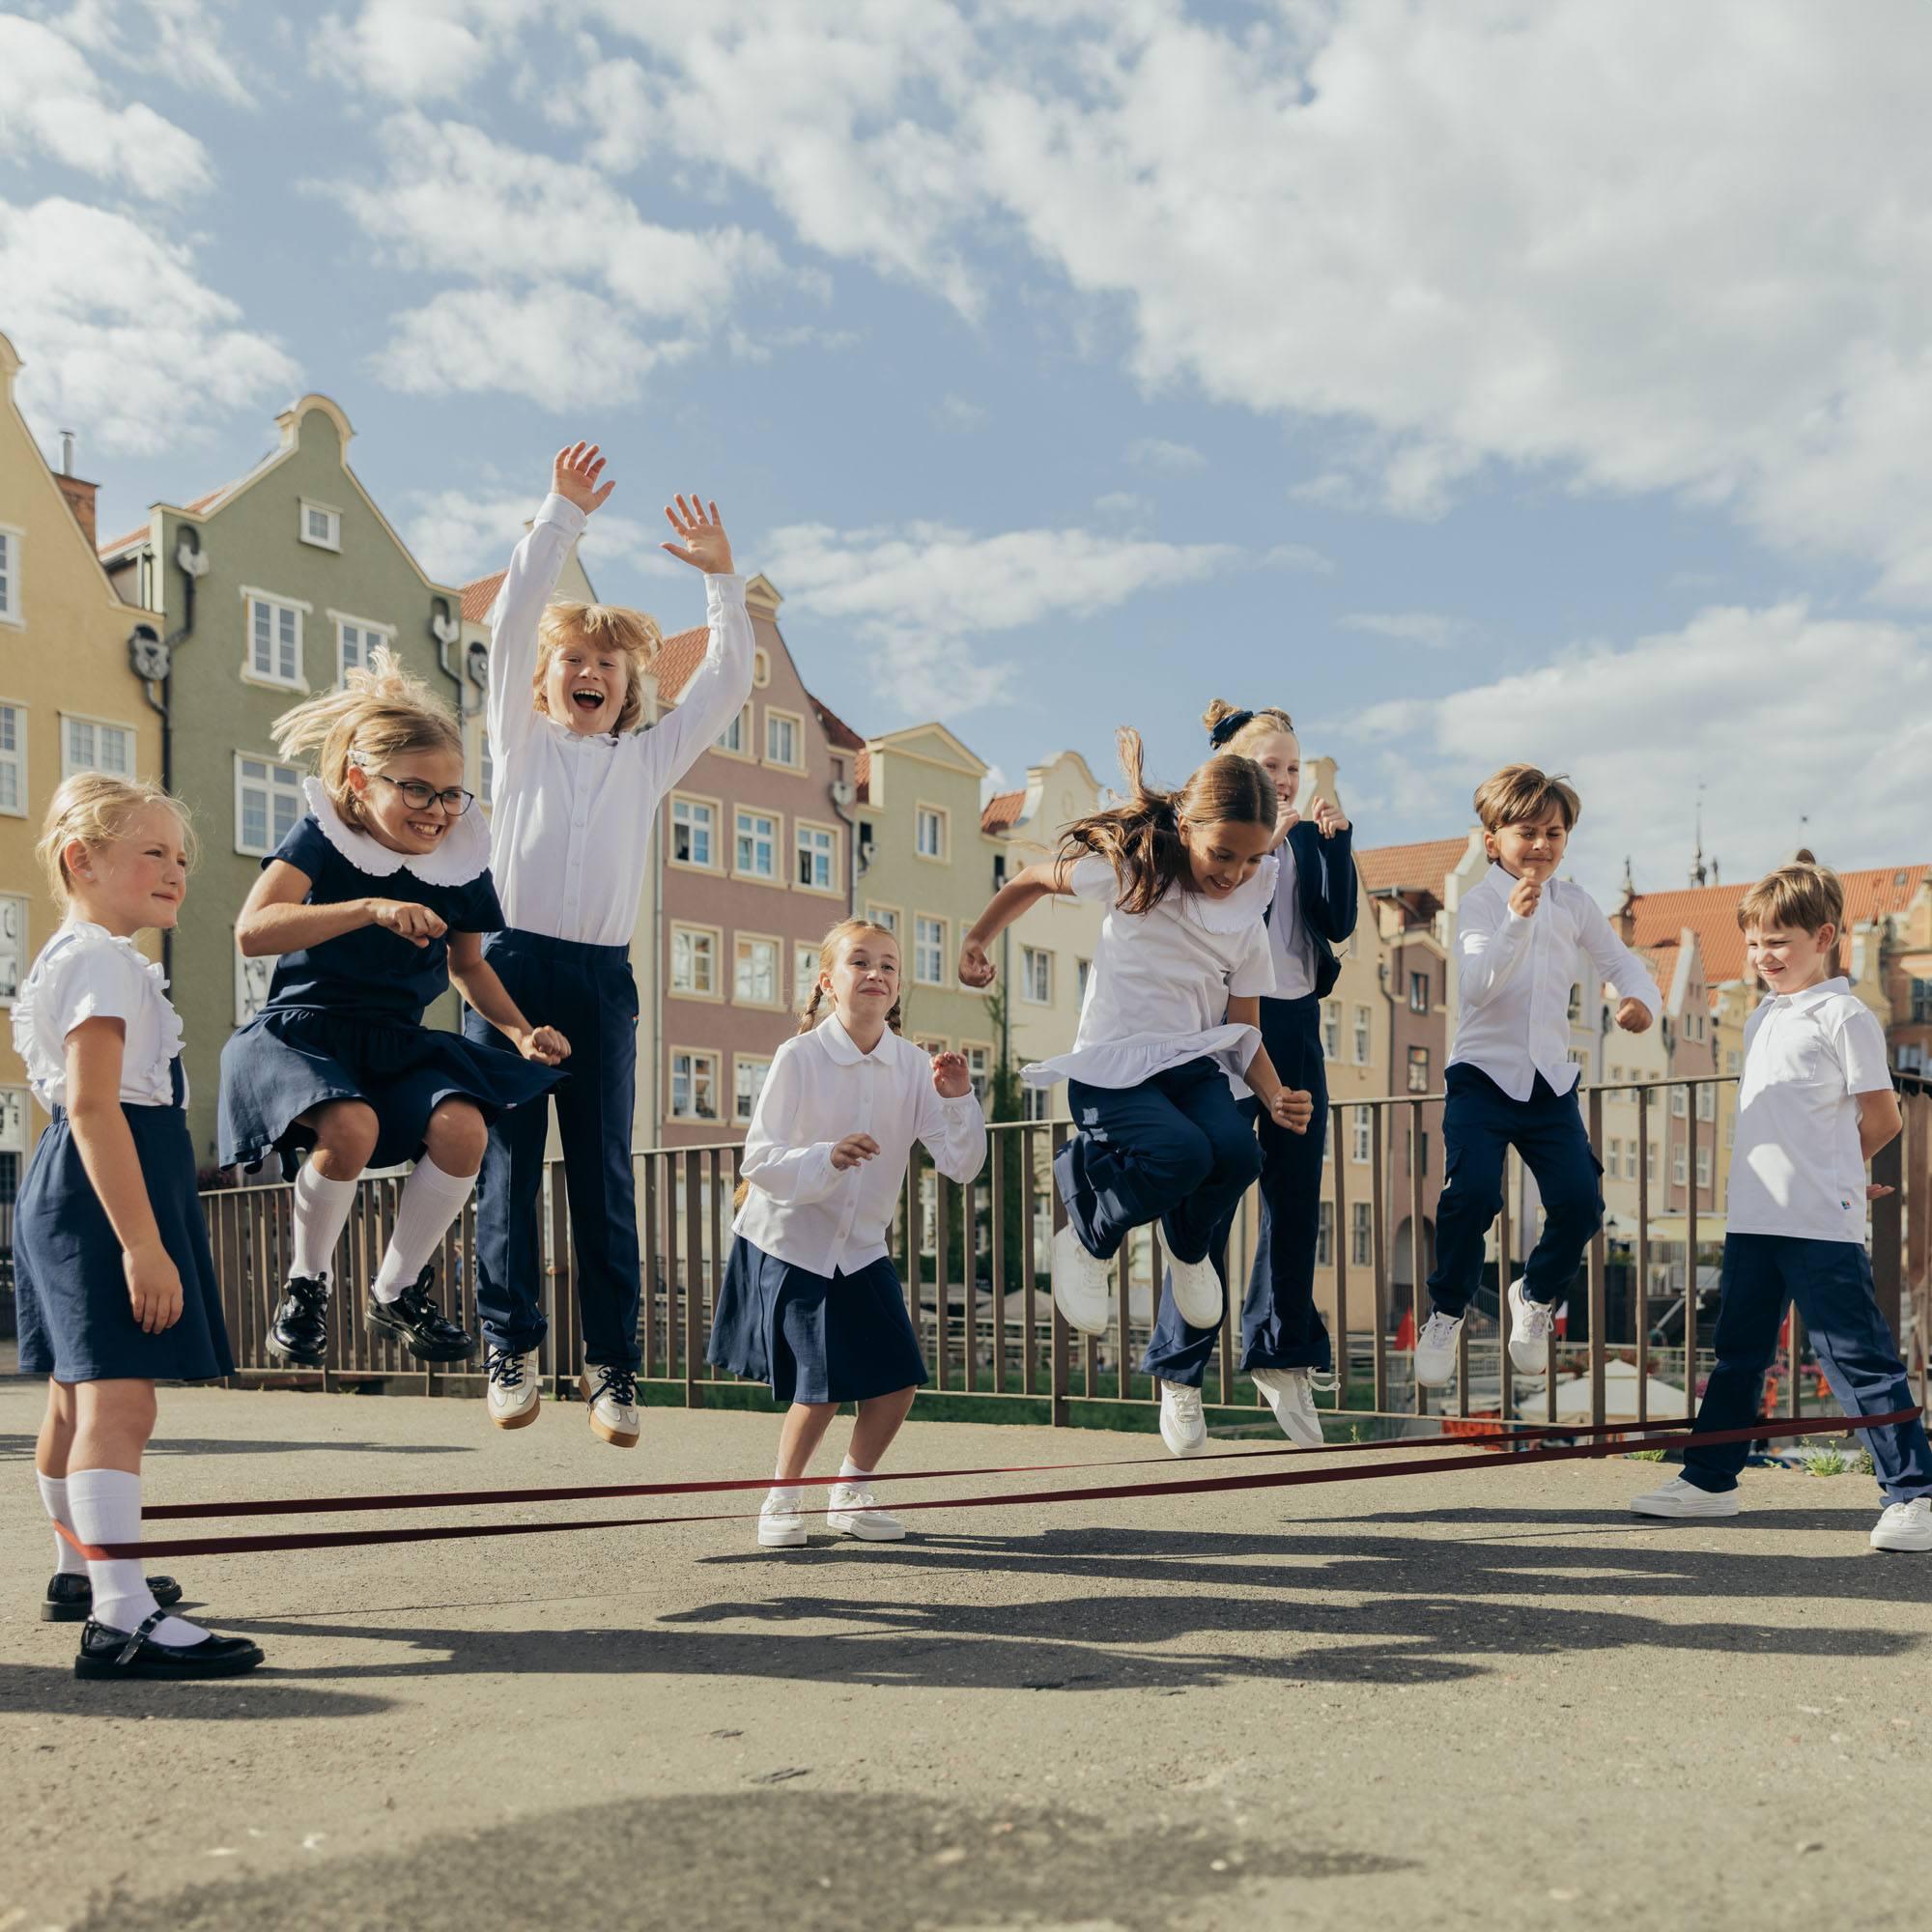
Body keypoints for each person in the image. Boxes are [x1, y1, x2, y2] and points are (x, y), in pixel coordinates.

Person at [466, 444, 752, 1446]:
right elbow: (508, 625)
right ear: (545, 682)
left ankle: (611, 1367)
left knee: (602, 1170)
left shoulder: (647, 757)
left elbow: (724, 683)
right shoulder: (521, 736)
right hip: (507, 964)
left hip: (597, 978)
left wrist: (721, 577)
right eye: (573, 662)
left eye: (606, 664)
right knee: (506, 1159)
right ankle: (511, 1344)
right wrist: (561, 515)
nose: (588, 672)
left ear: (629, 686)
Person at [960, 729, 1313, 1457]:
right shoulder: (1133, 874)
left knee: (1239, 1157)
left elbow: (1243, 1028)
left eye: (1251, 859)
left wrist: (1275, 1094)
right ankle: (1087, 1232)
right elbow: (1031, 877)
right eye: (1222, 854)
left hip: (1192, 1065)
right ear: (1185, 829)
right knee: (1182, 1155)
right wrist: (977, 939)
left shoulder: (1247, 917)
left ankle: (1188, 1250)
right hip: (1112, 1067)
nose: (1234, 872)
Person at [218, 651, 567, 1370]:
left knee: (464, 1127)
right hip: (305, 1032)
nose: (438, 811)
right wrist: (369, 909)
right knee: (350, 1125)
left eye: (451, 794)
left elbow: (468, 966)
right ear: (358, 780)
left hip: (396, 1043)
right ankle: (305, 1285)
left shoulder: (461, 861)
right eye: (416, 790)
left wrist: (522, 1031)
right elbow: (253, 930)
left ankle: (398, 1289)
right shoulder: (323, 837)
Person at [16, 775, 263, 1678]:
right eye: (151, 852)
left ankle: (81, 1572)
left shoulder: (73, 953)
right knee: (121, 1402)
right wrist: (143, 1241)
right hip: (105, 1186)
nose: (176, 871)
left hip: (67, 1184)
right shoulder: (105, 961)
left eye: (182, 856)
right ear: (82, 859)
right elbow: (94, 1106)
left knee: (74, 1397)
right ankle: (122, 1617)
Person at [1633, 854, 1931, 1551]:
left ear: (1823, 938)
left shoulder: (1845, 1014)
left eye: (1779, 942)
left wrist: (1843, 1176)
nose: (1763, 956)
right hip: (1754, 1221)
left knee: (1857, 1361)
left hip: (1816, 1226)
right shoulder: (1766, 1014)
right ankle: (1710, 1481)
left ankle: (1914, 1494)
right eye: (1756, 942)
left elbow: (1884, 1118)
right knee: (1738, 1354)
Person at [708, 920, 986, 1548]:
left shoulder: (916, 1067)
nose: (877, 974)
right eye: (861, 962)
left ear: (896, 987)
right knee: (822, 1384)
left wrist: (959, 1099)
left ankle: (851, 1493)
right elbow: (759, 1158)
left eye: (888, 965)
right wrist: (825, 1158)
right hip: (791, 1239)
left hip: (861, 1247)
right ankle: (781, 1500)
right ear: (829, 983)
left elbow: (962, 1165)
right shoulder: (798, 1056)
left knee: (898, 1379)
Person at [1141, 699, 1357, 1452]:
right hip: (1228, 1027)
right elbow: (1215, 922)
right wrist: (1271, 844)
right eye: (1272, 768)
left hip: (1295, 1027)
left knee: (1296, 1199)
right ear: (1233, 772)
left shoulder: (1303, 839)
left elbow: (1337, 923)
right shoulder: (1223, 843)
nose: (1289, 781)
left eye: (1295, 768)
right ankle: (1180, 1369)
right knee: (1213, 1200)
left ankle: (1281, 1356)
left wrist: (1338, 846)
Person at [1414, 764, 1659, 1391]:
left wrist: (1637, 1002)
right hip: (1481, 1078)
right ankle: (1445, 1312)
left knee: (1581, 1204)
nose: (1543, 845)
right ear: (1493, 839)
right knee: (1472, 1198)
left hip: (1549, 1084)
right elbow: (1475, 988)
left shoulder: (1574, 904)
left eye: (1555, 832)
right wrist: (1517, 922)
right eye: (1528, 832)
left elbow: (1623, 965)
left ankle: (1536, 1294)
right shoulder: (1479, 903)